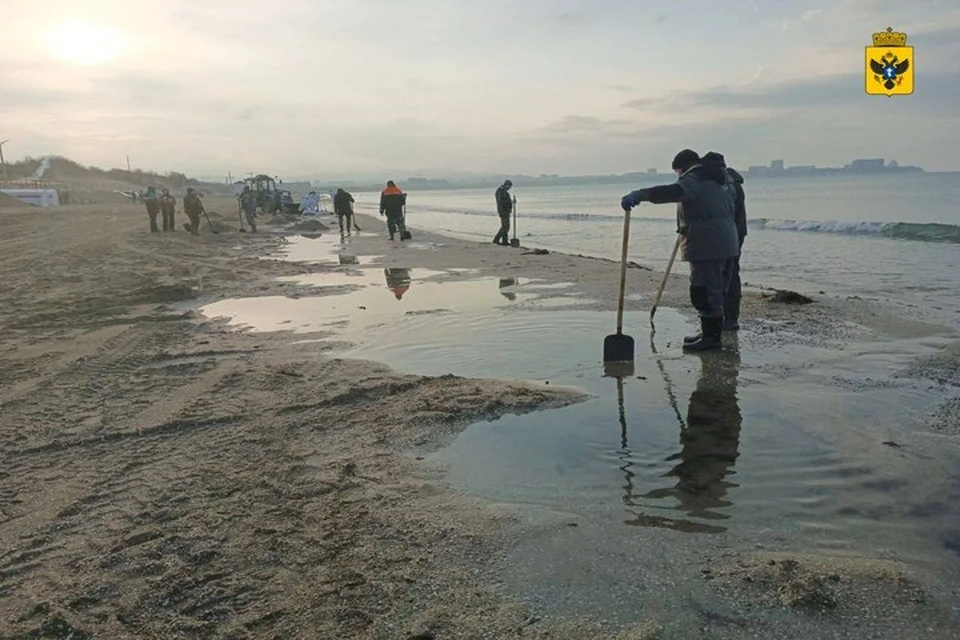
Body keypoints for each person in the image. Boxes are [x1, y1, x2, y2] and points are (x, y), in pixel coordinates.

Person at [621, 149, 739, 351]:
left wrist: (641, 195)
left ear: (683, 168)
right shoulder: (723, 179)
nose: (679, 178)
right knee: (717, 289)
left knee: (703, 290)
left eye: (678, 174)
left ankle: (711, 338)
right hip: (727, 240)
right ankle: (710, 333)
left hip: (707, 244)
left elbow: (673, 192)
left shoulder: (695, 178)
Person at [724, 165, 746, 331]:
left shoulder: (728, 187)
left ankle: (729, 318)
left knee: (728, 276)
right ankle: (730, 318)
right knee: (731, 274)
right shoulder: (733, 184)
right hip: (736, 233)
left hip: (730, 235)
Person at [492, 179, 513, 245]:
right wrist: (509, 203)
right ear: (506, 185)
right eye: (509, 186)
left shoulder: (503, 191)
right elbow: (501, 201)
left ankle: (504, 241)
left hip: (504, 210)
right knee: (506, 227)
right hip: (503, 211)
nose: (509, 188)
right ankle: (496, 239)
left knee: (505, 227)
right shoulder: (501, 191)